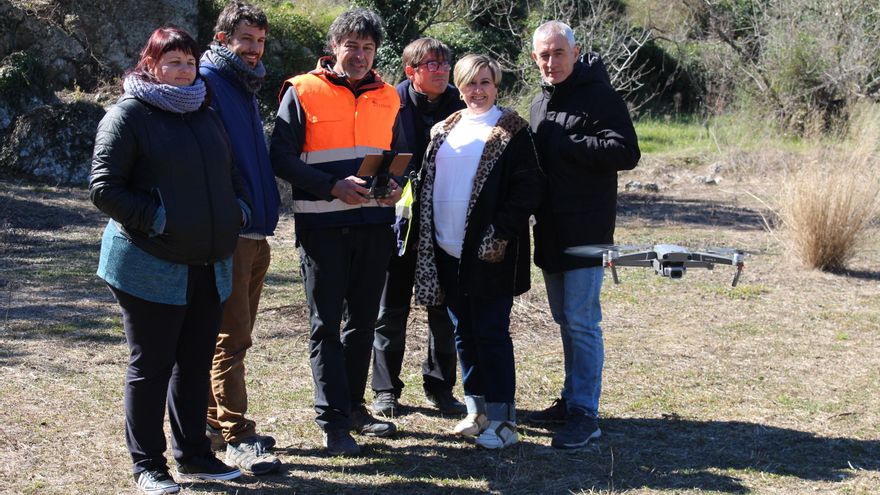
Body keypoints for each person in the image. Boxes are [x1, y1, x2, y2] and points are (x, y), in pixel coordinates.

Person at [89, 26, 247, 495]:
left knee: (195, 363)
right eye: (172, 61)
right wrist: (157, 220)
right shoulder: (128, 115)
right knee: (152, 365)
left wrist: (238, 209)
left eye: (189, 62)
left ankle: (194, 455)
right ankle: (148, 466)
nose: (183, 70)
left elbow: (231, 172)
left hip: (208, 262)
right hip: (149, 263)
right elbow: (104, 188)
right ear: (151, 65)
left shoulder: (205, 112)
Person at [269, 8, 404, 456]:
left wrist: (397, 184)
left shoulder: (390, 95)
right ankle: (332, 422)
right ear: (334, 47)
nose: (360, 55)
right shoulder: (301, 90)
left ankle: (353, 407)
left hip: (374, 225)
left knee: (363, 322)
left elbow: (399, 156)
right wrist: (331, 186)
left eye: (368, 47)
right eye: (351, 46)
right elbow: (280, 157)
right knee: (325, 325)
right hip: (322, 227)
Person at [413, 54, 544, 449]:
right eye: (470, 83)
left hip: (489, 254)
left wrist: (497, 234)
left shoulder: (512, 129)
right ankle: (478, 410)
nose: (478, 90)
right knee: (464, 333)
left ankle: (504, 422)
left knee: (491, 334)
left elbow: (529, 188)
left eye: (485, 82)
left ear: (496, 85)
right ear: (459, 87)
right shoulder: (444, 129)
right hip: (445, 249)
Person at [526, 20, 640, 449]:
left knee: (582, 322)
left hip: (588, 229)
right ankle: (571, 399)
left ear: (575, 53)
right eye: (544, 55)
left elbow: (627, 151)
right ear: (535, 58)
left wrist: (571, 144)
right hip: (550, 229)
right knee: (565, 321)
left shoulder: (601, 97)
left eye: (558, 53)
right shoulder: (539, 102)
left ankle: (585, 414)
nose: (551, 61)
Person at [199, 1, 281, 475]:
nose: (254, 49)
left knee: (231, 335)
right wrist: (235, 209)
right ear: (223, 39)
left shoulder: (242, 84)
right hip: (232, 232)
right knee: (231, 338)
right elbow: (207, 158)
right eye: (246, 39)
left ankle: (212, 424)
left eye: (260, 41)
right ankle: (238, 436)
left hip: (254, 231)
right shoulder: (208, 82)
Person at [370, 37, 466, 418]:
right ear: (411, 71)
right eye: (432, 64)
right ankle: (385, 390)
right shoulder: (389, 102)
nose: (441, 71)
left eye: (445, 64)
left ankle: (440, 387)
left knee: (442, 307)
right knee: (390, 308)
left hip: (446, 220)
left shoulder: (462, 103)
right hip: (400, 222)